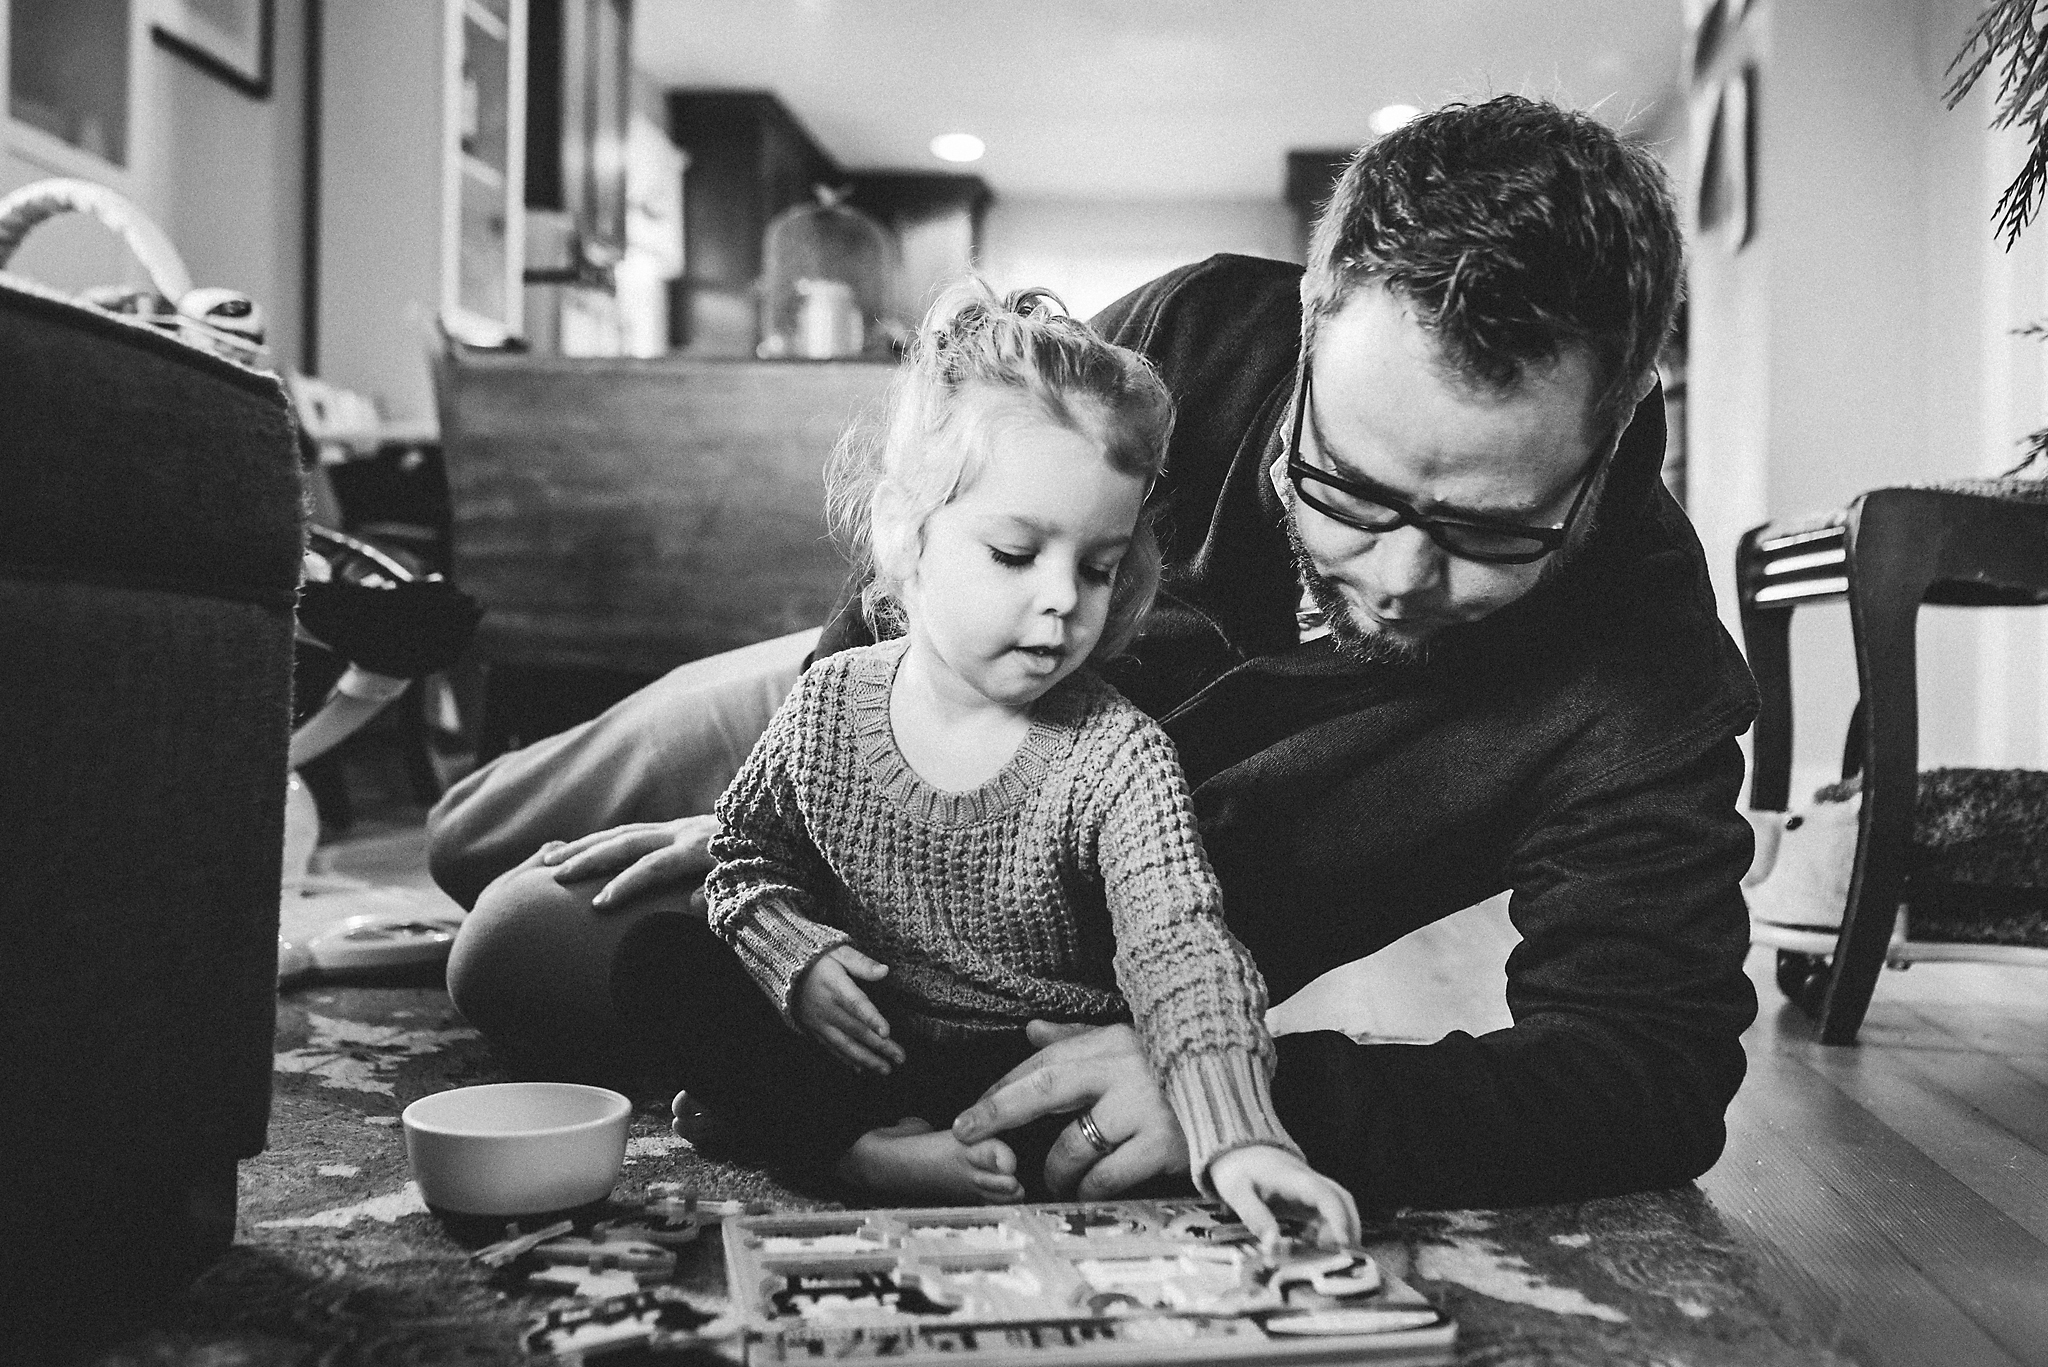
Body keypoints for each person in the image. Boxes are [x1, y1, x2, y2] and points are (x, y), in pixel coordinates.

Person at [435, 94, 1758, 1212]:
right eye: (1349, 489)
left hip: (1052, 935)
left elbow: (1651, 1064)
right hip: (888, 685)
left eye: (1490, 530)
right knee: (471, 834)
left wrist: (1244, 1087)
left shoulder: (1649, 664)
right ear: (1312, 321)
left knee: (517, 943)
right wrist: (797, 800)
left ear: (1618, 422)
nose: (1400, 576)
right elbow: (964, 507)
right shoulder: (1184, 333)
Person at [654, 282, 1357, 1240]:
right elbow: (745, 851)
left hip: (1020, 1076)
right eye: (1016, 554)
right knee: (664, 969)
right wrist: (795, 955)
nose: (1064, 599)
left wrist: (1242, 1136)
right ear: (912, 533)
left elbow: (1182, 947)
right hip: (863, 1044)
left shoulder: (1117, 756)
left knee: (1093, 1138)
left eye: (1099, 567)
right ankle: (856, 1153)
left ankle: (853, 1146)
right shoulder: (830, 701)